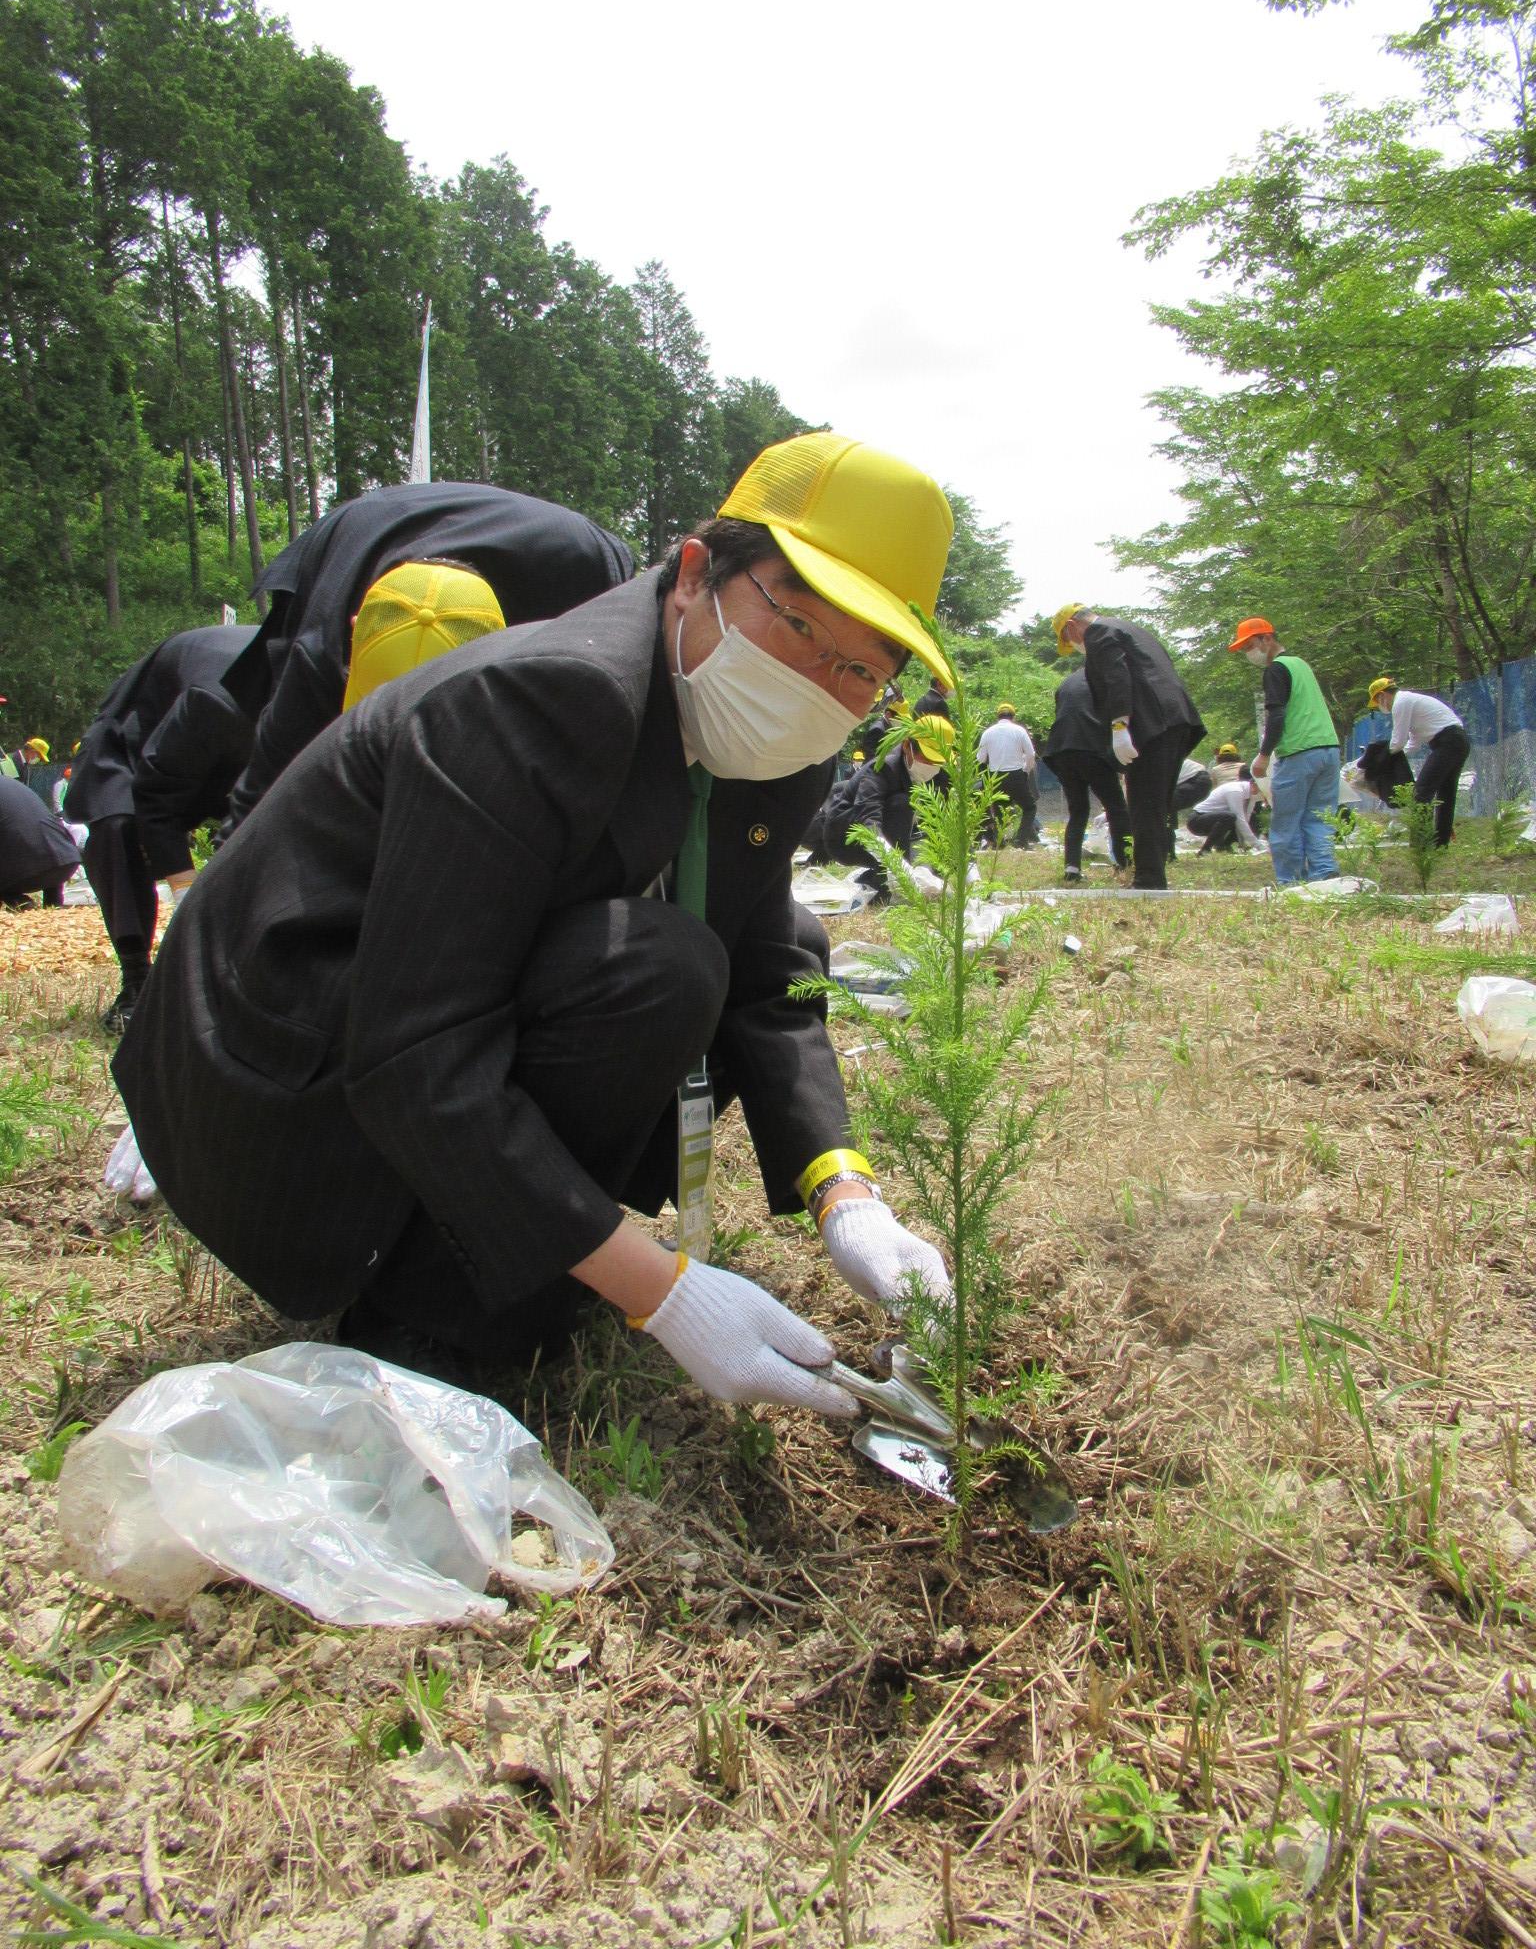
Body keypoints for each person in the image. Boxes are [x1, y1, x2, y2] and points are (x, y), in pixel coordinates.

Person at [114, 433, 955, 1422]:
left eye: (862, 670)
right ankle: (426, 1315)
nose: (820, 680)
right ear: (695, 575)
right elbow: (416, 1049)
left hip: (411, 1027)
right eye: (798, 622)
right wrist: (664, 1290)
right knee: (660, 966)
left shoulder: (785, 735)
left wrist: (846, 1195)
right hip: (281, 1073)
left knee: (766, 944)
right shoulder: (541, 697)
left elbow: (772, 970)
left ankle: (531, 1253)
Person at [220, 483, 635, 835]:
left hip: (570, 561)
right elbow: (257, 806)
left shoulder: (585, 611)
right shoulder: (318, 655)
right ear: (354, 628)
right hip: (369, 526)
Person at [65, 626, 260, 1032]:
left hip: (235, 742)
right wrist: (186, 892)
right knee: (117, 826)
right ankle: (137, 976)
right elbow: (155, 799)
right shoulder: (214, 705)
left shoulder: (336, 701)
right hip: (142, 733)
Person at [1051, 604, 1205, 890]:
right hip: (1177, 719)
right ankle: (1154, 873)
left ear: (1072, 626)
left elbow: (1116, 677)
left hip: (1150, 723)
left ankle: (1148, 880)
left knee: (1143, 803)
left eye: (1068, 639)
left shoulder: (1099, 632)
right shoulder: (1131, 629)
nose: (1074, 646)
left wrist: (1120, 725)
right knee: (1157, 803)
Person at [1229, 618, 1340, 886]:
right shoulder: (1300, 664)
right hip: (1328, 749)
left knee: (1286, 821)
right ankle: (1324, 875)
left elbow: (1276, 715)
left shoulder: (1276, 670)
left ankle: (1290, 882)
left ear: (1268, 639)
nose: (1249, 654)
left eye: (1250, 645)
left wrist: (1264, 755)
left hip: (1298, 752)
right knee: (1319, 817)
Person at [817, 715, 955, 895]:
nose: (932, 766)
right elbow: (868, 821)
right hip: (846, 838)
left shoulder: (938, 775)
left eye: (938, 761)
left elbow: (946, 822)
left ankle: (878, 877)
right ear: (907, 746)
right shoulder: (882, 768)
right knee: (902, 803)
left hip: (893, 838)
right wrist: (900, 869)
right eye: (927, 758)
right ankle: (887, 882)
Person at [1041, 666, 1130, 882]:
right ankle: (1124, 863)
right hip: (1091, 747)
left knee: (1078, 810)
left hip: (1061, 750)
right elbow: (1118, 715)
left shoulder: (1067, 682)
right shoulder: (1108, 677)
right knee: (1116, 808)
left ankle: (1072, 868)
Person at [1368, 676, 1469, 846]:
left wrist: (1378, 761)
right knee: (1445, 794)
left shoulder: (1401, 702)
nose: (1379, 707)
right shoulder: (1411, 702)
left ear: (1383, 695)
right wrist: (1397, 755)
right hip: (1457, 741)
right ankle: (1440, 843)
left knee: (1421, 792)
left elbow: (1397, 742)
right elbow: (1412, 743)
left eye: (1378, 702)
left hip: (1448, 742)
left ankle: (1420, 844)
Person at [0, 775, 80, 908]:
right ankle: (53, 907)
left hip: (28, 869)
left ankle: (20, 904)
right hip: (65, 859)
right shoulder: (10, 782)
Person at [976, 703, 1038, 848]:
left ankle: (999, 842)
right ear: (1013, 716)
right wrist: (1026, 770)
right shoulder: (1019, 731)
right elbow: (1030, 754)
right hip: (1016, 774)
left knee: (998, 809)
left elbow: (980, 758)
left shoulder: (988, 733)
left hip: (995, 776)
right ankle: (1021, 841)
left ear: (998, 716)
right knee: (1029, 808)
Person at [1185, 768, 1266, 854]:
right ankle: (1205, 850)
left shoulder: (1251, 796)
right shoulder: (1235, 790)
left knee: (1250, 819)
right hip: (1197, 820)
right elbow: (1240, 819)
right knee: (1230, 817)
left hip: (1216, 819)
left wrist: (1243, 844)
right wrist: (1258, 846)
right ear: (1253, 784)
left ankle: (1223, 846)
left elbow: (1246, 819)